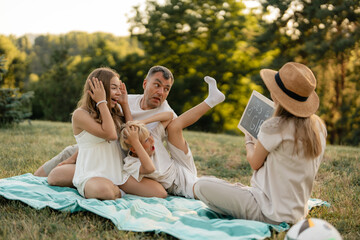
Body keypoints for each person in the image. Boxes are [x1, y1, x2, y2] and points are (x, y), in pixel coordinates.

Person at [193, 62, 327, 224]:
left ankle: (238, 197)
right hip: (297, 212)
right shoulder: (318, 126)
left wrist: (249, 141)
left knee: (200, 186)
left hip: (269, 211)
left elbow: (255, 162)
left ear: (275, 95)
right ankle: (239, 195)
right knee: (221, 190)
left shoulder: (275, 125)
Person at [66, 67, 166, 200]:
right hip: (92, 174)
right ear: (99, 89)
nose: (118, 92)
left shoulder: (114, 113)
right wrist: (101, 101)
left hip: (118, 173)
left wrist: (124, 104)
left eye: (119, 88)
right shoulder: (80, 114)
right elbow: (110, 134)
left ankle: (116, 190)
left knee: (160, 193)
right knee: (104, 191)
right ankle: (114, 191)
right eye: (114, 88)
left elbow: (131, 131)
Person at [119, 76, 225, 198]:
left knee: (174, 126)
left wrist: (144, 122)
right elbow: (149, 168)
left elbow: (169, 116)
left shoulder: (152, 136)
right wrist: (136, 144)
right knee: (210, 190)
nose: (152, 140)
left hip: (180, 167)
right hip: (180, 185)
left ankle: (211, 100)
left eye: (166, 88)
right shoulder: (131, 163)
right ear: (133, 148)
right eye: (147, 140)